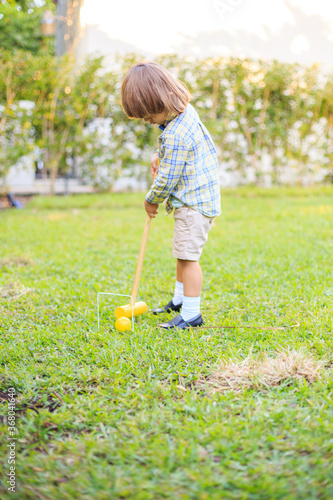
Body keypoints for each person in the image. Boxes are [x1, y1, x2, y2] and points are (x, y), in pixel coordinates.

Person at [121, 61, 221, 329]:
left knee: (188, 259)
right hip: (199, 199)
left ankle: (191, 315)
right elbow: (178, 153)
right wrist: (159, 154)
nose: (147, 121)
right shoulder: (184, 111)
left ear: (158, 102)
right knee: (182, 253)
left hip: (193, 205)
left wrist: (150, 199)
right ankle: (179, 300)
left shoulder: (175, 135)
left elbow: (167, 178)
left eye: (147, 116)